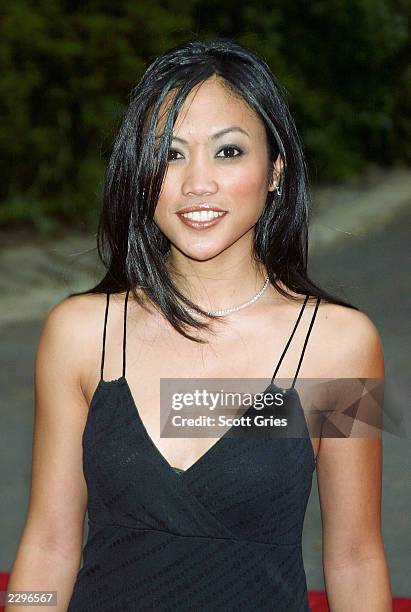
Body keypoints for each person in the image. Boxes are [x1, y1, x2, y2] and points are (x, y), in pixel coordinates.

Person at [6, 39, 392, 611]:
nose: (197, 184)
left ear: (276, 169)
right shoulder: (82, 334)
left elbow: (355, 557)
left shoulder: (335, 346)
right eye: (170, 153)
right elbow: (48, 547)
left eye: (228, 152)